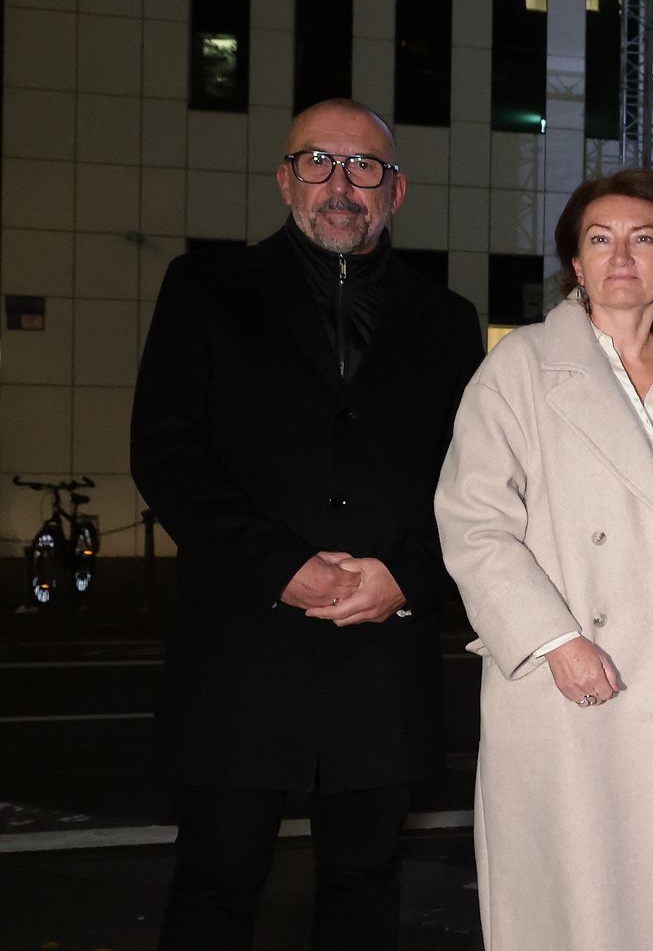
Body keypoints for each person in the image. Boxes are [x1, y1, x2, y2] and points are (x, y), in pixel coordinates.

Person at [131, 99, 483, 950]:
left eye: (364, 166)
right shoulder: (205, 289)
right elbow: (167, 453)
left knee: (365, 890)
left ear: (395, 190)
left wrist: (409, 576)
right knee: (215, 889)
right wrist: (279, 566)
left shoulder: (447, 321)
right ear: (284, 179)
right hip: (241, 650)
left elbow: (475, 482)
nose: (341, 184)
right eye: (318, 161)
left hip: (381, 652)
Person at [433, 170, 653, 950]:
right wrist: (553, 639)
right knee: (586, 897)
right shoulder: (520, 368)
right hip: (570, 674)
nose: (621, 255)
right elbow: (474, 520)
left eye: (643, 239)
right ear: (576, 265)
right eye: (600, 239)